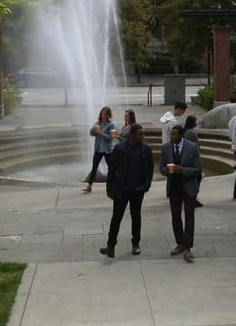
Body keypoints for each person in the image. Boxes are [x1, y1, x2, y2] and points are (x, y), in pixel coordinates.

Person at [100, 124, 153, 258]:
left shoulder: (146, 149)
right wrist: (109, 188)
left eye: (143, 134)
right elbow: (112, 170)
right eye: (140, 134)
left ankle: (136, 244)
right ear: (132, 135)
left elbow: (150, 170)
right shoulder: (120, 148)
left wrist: (145, 186)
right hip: (121, 190)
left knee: (136, 217)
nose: (142, 136)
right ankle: (110, 246)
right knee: (116, 218)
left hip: (137, 190)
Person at [160, 125, 203, 263]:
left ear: (181, 135)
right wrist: (167, 170)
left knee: (189, 216)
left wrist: (183, 170)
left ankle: (188, 247)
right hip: (174, 187)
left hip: (189, 186)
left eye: (174, 135)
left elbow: (198, 169)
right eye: (171, 135)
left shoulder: (192, 147)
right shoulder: (166, 148)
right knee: (175, 216)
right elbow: (161, 168)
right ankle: (180, 243)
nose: (171, 137)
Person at [84, 106, 118, 194]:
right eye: (102, 114)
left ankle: (114, 185)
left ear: (108, 115)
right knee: (94, 167)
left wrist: (100, 133)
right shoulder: (97, 123)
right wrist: (93, 130)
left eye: (105, 114)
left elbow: (111, 138)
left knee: (111, 168)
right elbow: (91, 133)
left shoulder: (112, 125)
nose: (103, 115)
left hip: (107, 150)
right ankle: (89, 186)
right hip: (98, 149)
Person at [183, 115, 204, 208]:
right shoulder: (191, 133)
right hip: (193, 160)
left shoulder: (187, 132)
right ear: (192, 122)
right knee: (197, 179)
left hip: (191, 159)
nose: (197, 122)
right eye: (195, 121)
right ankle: (192, 199)